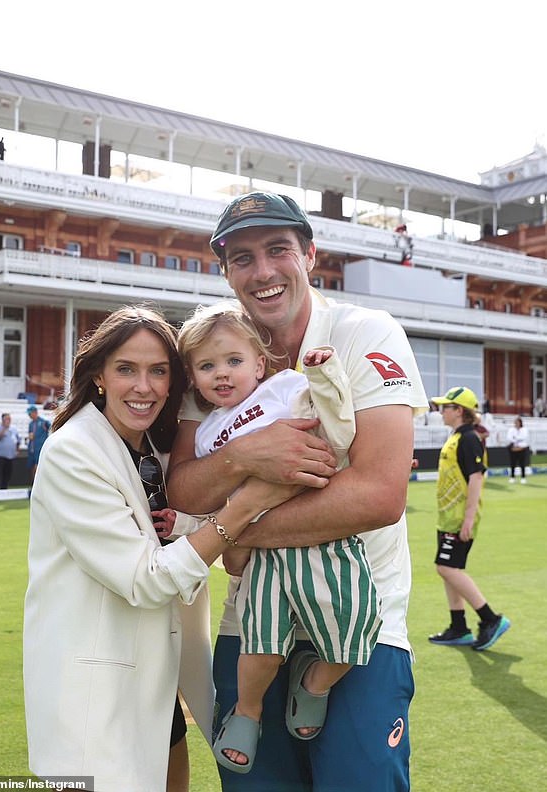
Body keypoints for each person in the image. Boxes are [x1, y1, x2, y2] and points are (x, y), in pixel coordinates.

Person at [167, 191, 429, 792]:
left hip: (361, 618)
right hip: (252, 621)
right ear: (226, 272)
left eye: (277, 249)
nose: (261, 272)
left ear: (309, 254)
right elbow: (183, 487)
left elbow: (379, 495)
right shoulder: (212, 351)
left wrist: (228, 531)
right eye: (241, 258)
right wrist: (246, 455)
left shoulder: (365, 332)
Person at [23, 305, 299, 792]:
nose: (143, 386)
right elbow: (146, 579)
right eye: (126, 369)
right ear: (100, 377)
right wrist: (242, 509)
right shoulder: (73, 450)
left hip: (157, 683)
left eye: (158, 371)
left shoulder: (156, 450)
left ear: (176, 382)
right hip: (97, 690)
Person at [156, 302, 380, 773]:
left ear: (260, 363)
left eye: (234, 361)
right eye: (207, 366)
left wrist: (323, 377)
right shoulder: (206, 436)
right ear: (193, 379)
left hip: (320, 539)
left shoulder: (283, 388)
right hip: (259, 559)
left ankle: (315, 683)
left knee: (356, 624)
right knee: (261, 641)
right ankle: (248, 711)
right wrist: (181, 524)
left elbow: (334, 420)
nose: (222, 374)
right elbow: (210, 507)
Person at [428, 386, 511, 651]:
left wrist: (468, 519)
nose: (441, 412)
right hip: (448, 518)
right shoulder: (456, 437)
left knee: (446, 568)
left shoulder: (469, 439)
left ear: (459, 411)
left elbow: (476, 478)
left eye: (446, 407)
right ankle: (458, 627)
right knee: (449, 571)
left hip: (459, 519)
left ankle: (491, 619)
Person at [0, 412, 21, 489]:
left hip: (10, 455)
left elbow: (17, 440)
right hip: (0, 455)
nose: (8, 420)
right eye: (6, 419)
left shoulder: (14, 429)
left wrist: (17, 449)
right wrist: (4, 428)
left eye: (9, 419)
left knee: (7, 474)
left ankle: (4, 488)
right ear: (3, 420)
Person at [26, 405, 51, 485]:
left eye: (30, 413)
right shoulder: (30, 424)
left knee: (37, 467)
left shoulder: (43, 422)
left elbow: (51, 427)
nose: (29, 415)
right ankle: (33, 485)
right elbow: (31, 435)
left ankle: (39, 485)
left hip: (39, 448)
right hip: (32, 449)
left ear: (35, 412)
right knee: (32, 468)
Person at [506, 416, 530, 483]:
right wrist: (516, 439)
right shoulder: (511, 429)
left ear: (520, 423)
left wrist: (516, 438)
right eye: (515, 422)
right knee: (512, 463)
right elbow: (509, 438)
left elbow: (524, 438)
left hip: (522, 448)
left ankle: (523, 477)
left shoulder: (524, 429)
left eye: (517, 422)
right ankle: (512, 477)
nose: (516, 423)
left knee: (522, 463)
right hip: (513, 448)